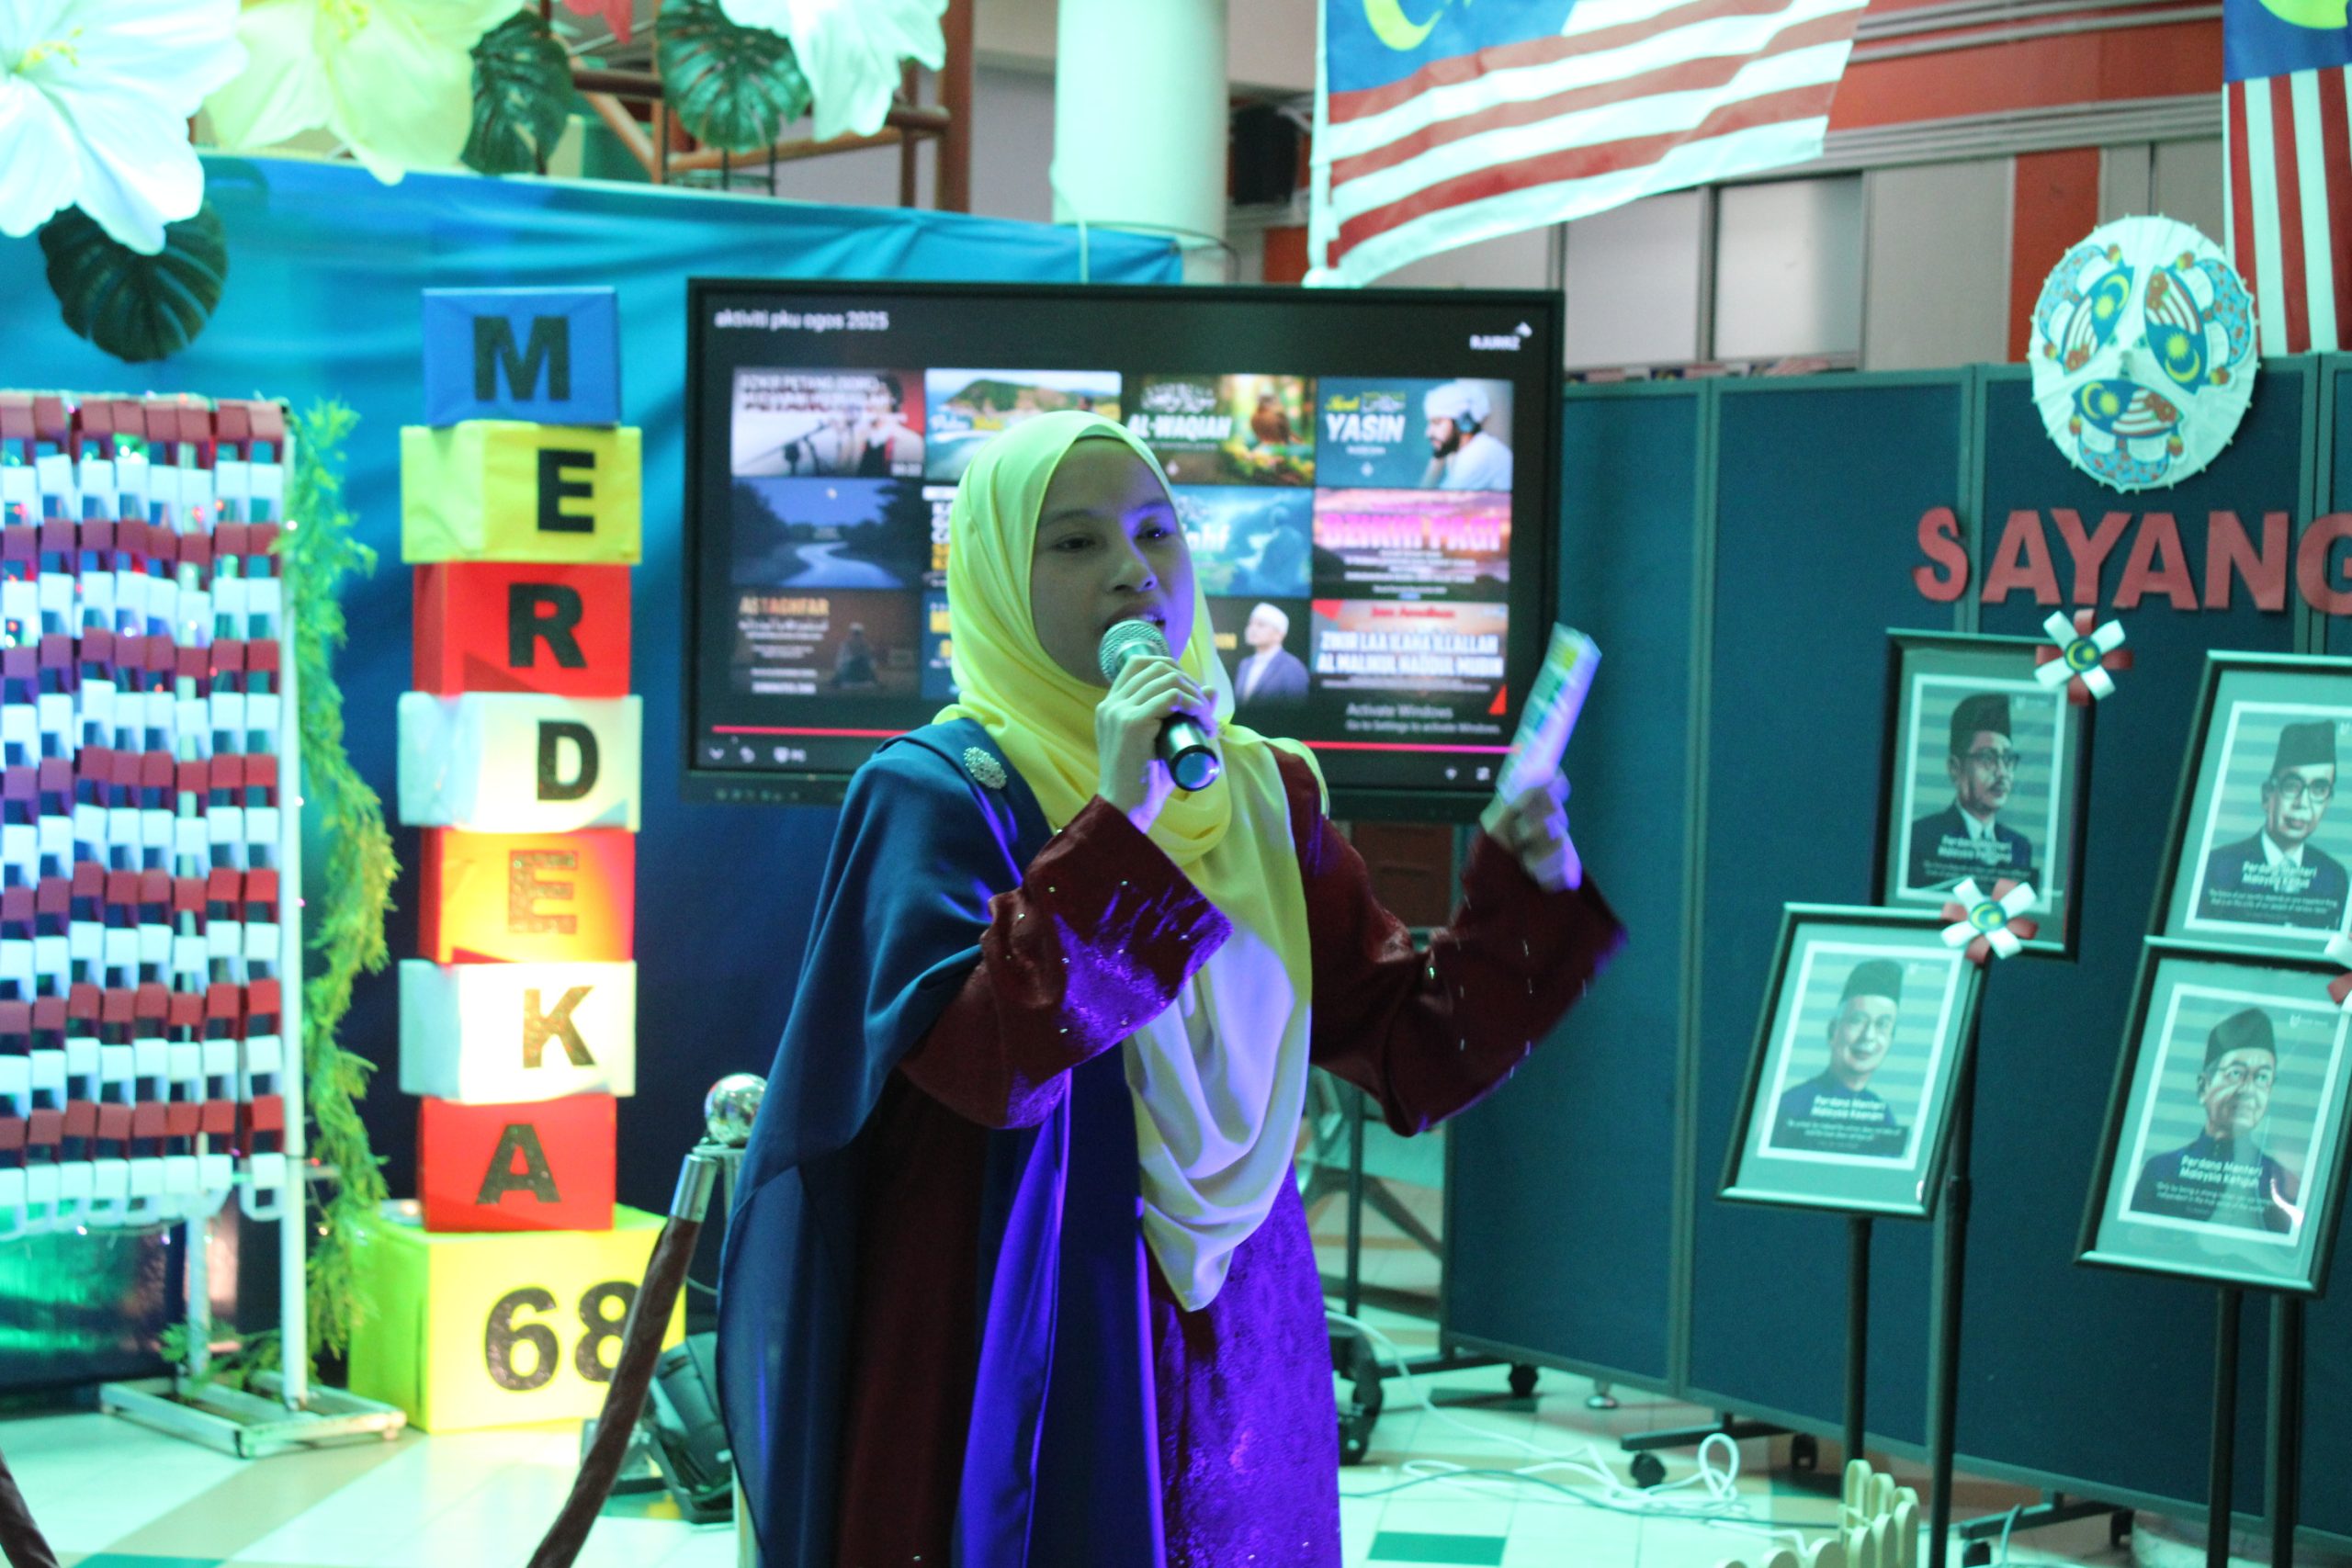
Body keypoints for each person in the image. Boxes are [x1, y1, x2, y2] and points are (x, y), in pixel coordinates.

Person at [718, 412, 1621, 1568]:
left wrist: (1521, 895)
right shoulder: (937, 795)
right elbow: (986, 1066)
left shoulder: (1264, 792)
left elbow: (1411, 1048)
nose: (1132, 573)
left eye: (1156, 533)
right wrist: (1116, 826)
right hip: (1035, 1323)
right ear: (993, 579)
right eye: (1074, 543)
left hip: (1242, 1325)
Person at [2130, 1007, 2300, 1234]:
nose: (2248, 1090)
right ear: (2203, 1087)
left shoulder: (2279, 1181)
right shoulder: (2161, 1170)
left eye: (2262, 1077)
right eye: (2236, 1073)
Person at [2196, 720, 2349, 932]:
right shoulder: (2218, 866)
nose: (2302, 803)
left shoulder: (2334, 876)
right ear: (2267, 795)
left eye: (2319, 789)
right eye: (2292, 786)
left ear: (2328, 801)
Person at [1769, 958, 1909, 1157]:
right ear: (1832, 1030)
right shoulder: (1791, 1105)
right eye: (1857, 1020)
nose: (1869, 1035)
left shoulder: (1883, 1116)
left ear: (1891, 1039)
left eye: (1882, 1025)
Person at [1905, 693, 2037, 892]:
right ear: (1955, 768)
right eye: (1987, 758)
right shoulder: (1921, 837)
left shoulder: (2019, 846)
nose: (2002, 772)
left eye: (2008, 759)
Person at [1419, 381, 1512, 491]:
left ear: (1463, 422)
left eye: (1437, 422)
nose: (1428, 433)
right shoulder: (1471, 451)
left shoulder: (1480, 454)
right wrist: (1439, 454)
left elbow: (1427, 500)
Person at [1233, 602, 1307, 707]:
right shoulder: (1245, 664)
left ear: (1279, 634)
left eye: (1261, 625)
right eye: (1250, 624)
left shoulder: (1292, 666)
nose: (1252, 629)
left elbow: (1297, 708)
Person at [853, 373, 924, 477]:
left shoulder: (911, 440)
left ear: (894, 399)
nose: (873, 400)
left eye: (879, 394)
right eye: (869, 395)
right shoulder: (857, 436)